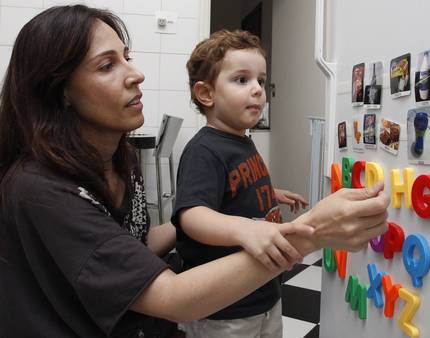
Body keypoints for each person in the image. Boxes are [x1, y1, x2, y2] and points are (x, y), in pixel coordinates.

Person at [0, 5, 390, 338]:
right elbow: (174, 299)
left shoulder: (119, 160)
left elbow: (127, 247)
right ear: (59, 92)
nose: (135, 75)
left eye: (127, 57)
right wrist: (311, 233)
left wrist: (212, 211)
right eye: (106, 65)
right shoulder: (40, 190)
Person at [173, 29, 311, 337]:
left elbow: (232, 187)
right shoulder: (204, 149)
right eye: (242, 80)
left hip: (263, 289)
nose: (258, 90)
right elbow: (192, 215)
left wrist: (272, 193)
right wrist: (246, 229)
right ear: (206, 94)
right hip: (224, 307)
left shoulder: (241, 141)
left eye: (260, 81)